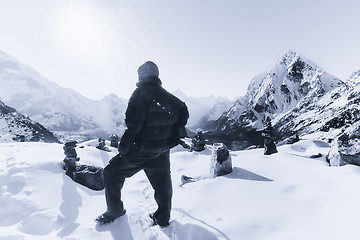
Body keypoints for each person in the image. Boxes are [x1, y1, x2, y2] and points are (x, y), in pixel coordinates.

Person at [95, 61, 189, 226]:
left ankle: (115, 211)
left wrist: (123, 149)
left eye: (139, 73)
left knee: (111, 173)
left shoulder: (140, 94)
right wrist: (175, 132)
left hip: (141, 150)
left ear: (143, 75)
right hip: (161, 150)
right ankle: (162, 218)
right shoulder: (168, 97)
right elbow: (184, 111)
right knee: (162, 183)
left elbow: (133, 126)